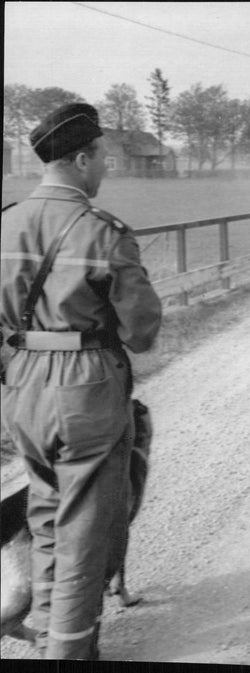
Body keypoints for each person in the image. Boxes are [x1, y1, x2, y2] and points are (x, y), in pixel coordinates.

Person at [0, 103, 162, 659]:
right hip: (84, 387)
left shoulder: (6, 222)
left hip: (21, 388)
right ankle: (68, 653)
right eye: (103, 158)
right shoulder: (101, 232)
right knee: (86, 540)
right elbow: (141, 332)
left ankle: (48, 633)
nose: (106, 169)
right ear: (80, 157)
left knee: (45, 516)